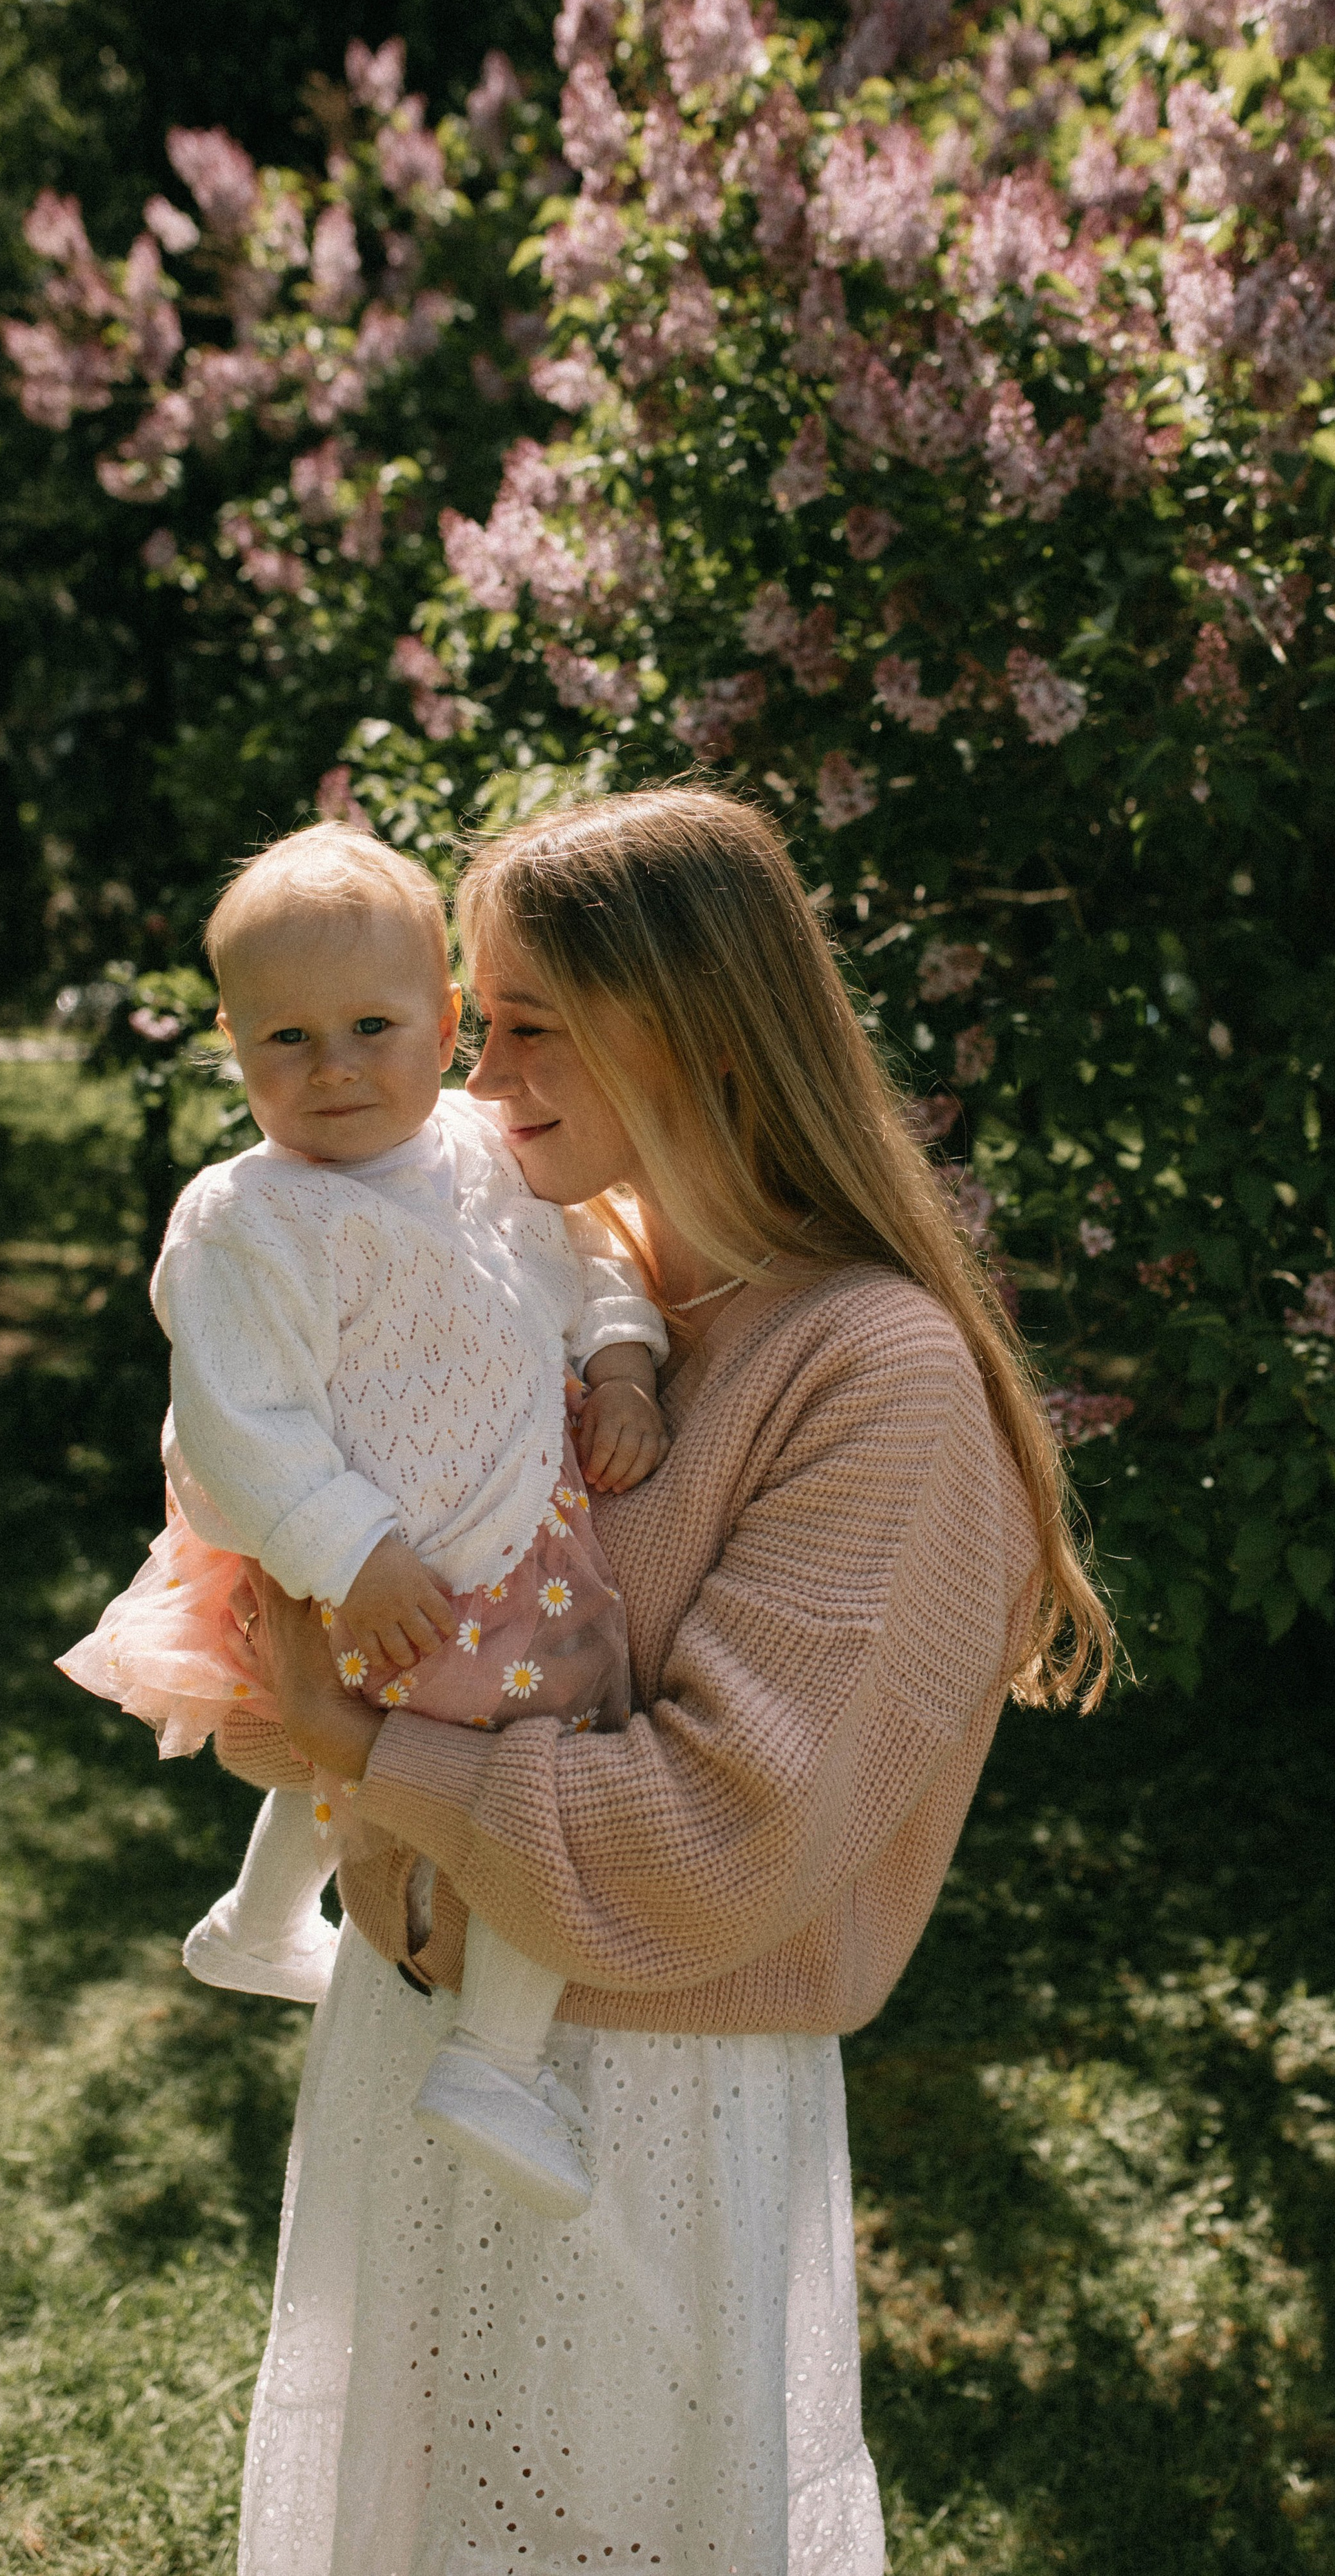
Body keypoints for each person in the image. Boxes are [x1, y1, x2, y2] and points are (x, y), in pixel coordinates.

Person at [224, 785, 1114, 2576]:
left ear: (697, 1027)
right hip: (421, 2061)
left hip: (636, 2126)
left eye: (533, 1024)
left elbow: (714, 1840)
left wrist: (353, 1741)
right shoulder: (564, 1284)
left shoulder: (872, 1368)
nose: (478, 1079)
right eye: (476, 1020)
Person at [58, 825, 671, 2218]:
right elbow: (235, 1416)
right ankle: (493, 2059)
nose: (331, 1066)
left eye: (371, 1026)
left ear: (448, 1024)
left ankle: (267, 1922)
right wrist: (345, 1546)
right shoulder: (246, 1218)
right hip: (370, 1568)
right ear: (230, 1045)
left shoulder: (482, 1148)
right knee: (523, 1769)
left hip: (509, 1539)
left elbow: (594, 1260)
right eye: (286, 1038)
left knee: (475, 1761)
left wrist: (625, 1358)